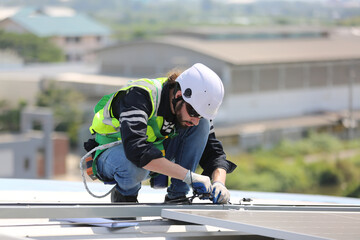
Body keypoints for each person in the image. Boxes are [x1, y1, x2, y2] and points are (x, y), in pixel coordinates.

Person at [86, 63, 236, 204]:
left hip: (152, 154)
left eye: (201, 115)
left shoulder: (192, 111)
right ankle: (126, 195)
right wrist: (189, 177)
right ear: (178, 95)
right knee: (133, 166)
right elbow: (136, 150)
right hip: (111, 155)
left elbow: (214, 154)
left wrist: (219, 183)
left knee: (202, 126)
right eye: (194, 113)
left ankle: (177, 196)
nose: (195, 120)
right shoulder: (139, 96)